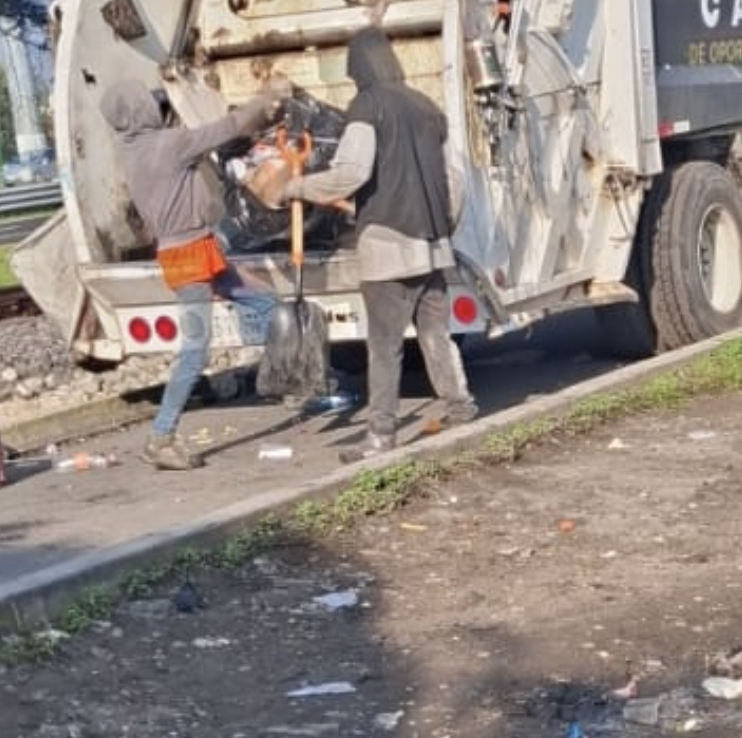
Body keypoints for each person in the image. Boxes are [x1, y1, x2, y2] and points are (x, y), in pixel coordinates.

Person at [262, 28, 477, 463]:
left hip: (386, 248)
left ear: (359, 69)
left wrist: (295, 188)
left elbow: (351, 173)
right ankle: (461, 407)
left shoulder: (367, 106)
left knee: (384, 346)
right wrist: (441, 227)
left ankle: (380, 435)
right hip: (432, 244)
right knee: (435, 333)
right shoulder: (427, 107)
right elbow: (454, 178)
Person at [101, 74, 286, 470]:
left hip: (194, 248)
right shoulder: (168, 145)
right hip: (189, 256)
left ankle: (284, 372)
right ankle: (161, 437)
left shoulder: (132, 149)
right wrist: (264, 99)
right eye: (149, 103)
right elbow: (228, 128)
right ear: (140, 110)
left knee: (268, 302)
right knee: (195, 350)